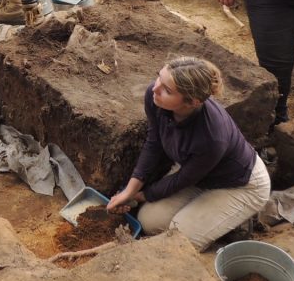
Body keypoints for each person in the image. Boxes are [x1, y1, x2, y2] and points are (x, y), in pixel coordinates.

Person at [107, 56, 270, 250]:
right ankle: (210, 217)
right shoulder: (156, 97)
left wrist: (139, 197)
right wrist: (129, 191)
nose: (155, 88)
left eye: (167, 90)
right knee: (148, 222)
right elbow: (154, 143)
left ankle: (236, 222)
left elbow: (182, 180)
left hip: (239, 185)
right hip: (196, 171)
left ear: (192, 102)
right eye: (159, 77)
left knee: (181, 241)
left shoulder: (212, 137)